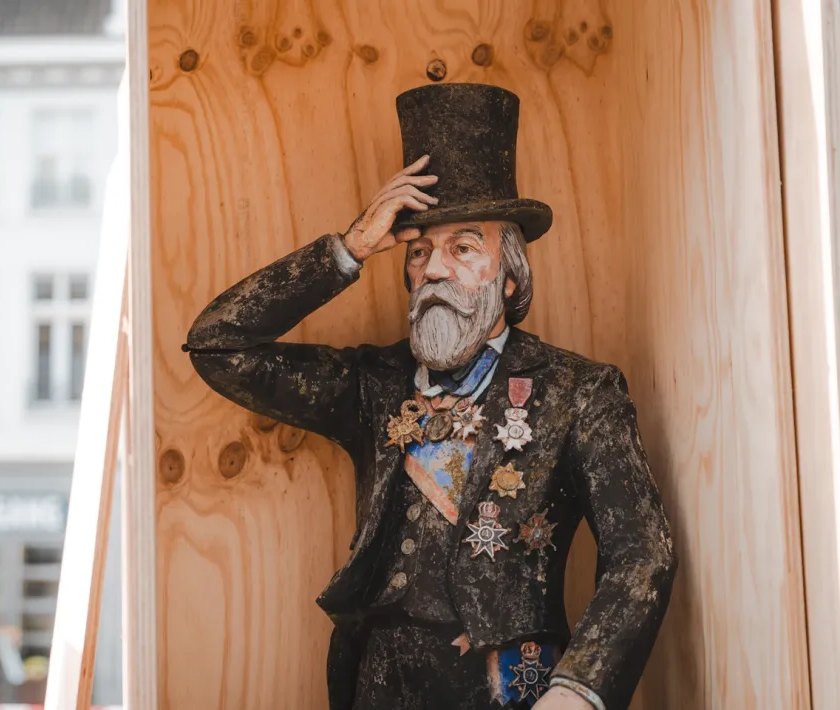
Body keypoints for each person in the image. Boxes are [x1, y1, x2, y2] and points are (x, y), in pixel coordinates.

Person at [185, 83, 676, 710]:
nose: (435, 269)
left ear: (510, 276)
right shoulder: (372, 384)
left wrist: (579, 691)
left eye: (463, 248)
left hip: (511, 689)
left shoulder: (578, 393)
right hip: (379, 686)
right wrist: (348, 250)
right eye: (419, 252)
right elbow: (218, 346)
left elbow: (642, 554)